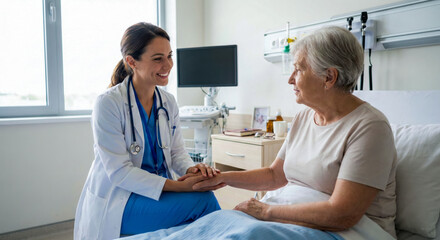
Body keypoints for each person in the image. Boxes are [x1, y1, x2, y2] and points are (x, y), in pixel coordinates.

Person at [193, 26, 397, 238]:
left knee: (245, 235)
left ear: (329, 77)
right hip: (292, 216)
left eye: (299, 69)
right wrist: (220, 178)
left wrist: (265, 211)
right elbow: (275, 175)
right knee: (215, 225)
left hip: (350, 231)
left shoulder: (369, 128)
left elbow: (342, 214)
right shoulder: (304, 117)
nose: (291, 79)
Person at [74, 22, 224, 240]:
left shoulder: (168, 102)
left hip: (159, 191)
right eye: (158, 58)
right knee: (204, 202)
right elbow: (119, 173)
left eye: (169, 56)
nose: (168, 65)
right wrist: (180, 187)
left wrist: (192, 172)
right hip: (122, 199)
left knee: (203, 197)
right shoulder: (108, 104)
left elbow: (177, 154)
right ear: (131, 62)